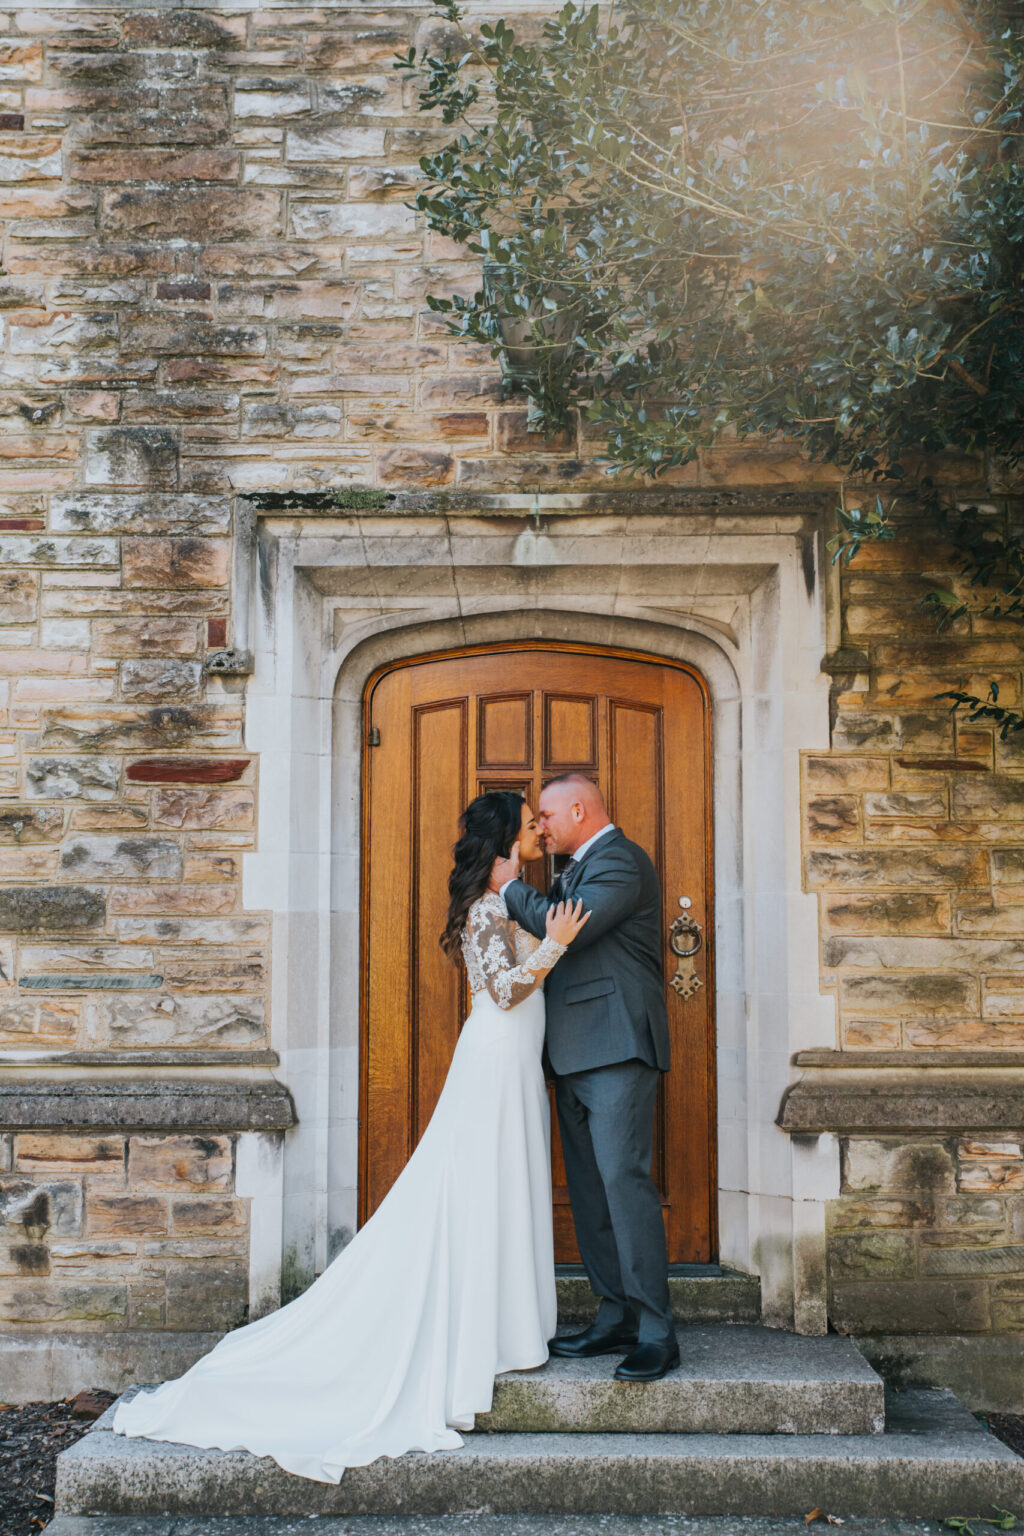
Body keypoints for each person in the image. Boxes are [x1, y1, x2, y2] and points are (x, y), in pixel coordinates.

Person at [111, 790, 588, 1483]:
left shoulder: (509, 900)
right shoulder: (488, 911)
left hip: (515, 1061)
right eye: (523, 834)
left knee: (503, 1183)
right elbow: (504, 991)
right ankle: (488, 1331)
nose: (532, 841)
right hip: (493, 1057)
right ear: (501, 848)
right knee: (480, 1184)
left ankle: (510, 1327)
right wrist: (555, 945)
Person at [502, 772, 678, 1382]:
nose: (541, 827)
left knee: (624, 1185)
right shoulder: (574, 864)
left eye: (546, 816)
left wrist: (505, 888)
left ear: (578, 809)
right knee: (589, 1191)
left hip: (617, 1048)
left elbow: (564, 926)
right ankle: (615, 1315)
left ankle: (657, 1330)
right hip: (572, 1051)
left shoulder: (622, 862)